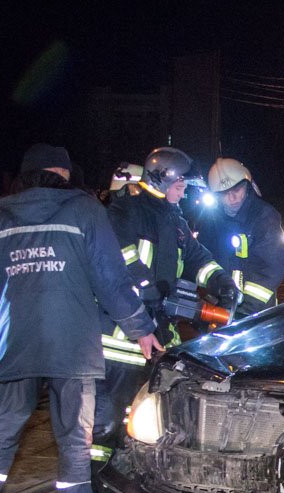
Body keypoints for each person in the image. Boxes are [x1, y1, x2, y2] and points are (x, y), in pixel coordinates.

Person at [0, 144, 161, 493]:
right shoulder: (84, 209)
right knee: (74, 440)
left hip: (19, 342)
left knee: (3, 427)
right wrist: (140, 328)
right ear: (63, 173)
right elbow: (110, 278)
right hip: (73, 342)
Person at [90, 146, 240, 473]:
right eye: (180, 184)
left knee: (151, 414)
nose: (184, 190)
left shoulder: (173, 218)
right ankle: (96, 482)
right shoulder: (127, 211)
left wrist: (220, 281)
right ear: (162, 179)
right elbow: (119, 260)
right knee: (107, 420)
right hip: (120, 339)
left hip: (157, 332)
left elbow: (196, 257)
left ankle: (137, 475)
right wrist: (147, 288)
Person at [198, 157, 284, 314]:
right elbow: (202, 259)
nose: (232, 198)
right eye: (225, 194)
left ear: (248, 187)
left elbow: (271, 267)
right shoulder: (209, 221)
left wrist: (245, 310)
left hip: (257, 311)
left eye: (237, 190)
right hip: (219, 307)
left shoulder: (264, 216)